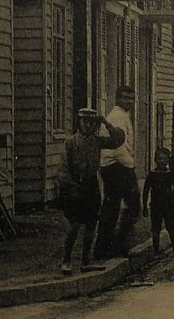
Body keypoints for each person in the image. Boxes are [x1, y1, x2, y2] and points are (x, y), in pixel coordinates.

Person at [57, 106, 125, 274]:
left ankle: (85, 261)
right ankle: (66, 261)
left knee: (91, 225)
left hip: (91, 186)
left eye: (90, 122)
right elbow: (63, 169)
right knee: (74, 226)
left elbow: (118, 140)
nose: (87, 125)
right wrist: (71, 187)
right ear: (78, 123)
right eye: (84, 122)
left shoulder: (97, 141)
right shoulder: (70, 142)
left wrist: (105, 122)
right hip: (75, 186)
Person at [96, 84, 142, 259]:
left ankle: (105, 247)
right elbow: (117, 147)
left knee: (112, 207)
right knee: (133, 205)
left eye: (131, 98)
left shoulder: (122, 115)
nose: (128, 101)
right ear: (117, 99)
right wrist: (130, 165)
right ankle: (116, 244)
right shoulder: (117, 117)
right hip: (117, 166)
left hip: (113, 167)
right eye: (124, 98)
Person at [142, 147, 174, 254]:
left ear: (167, 160)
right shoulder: (152, 174)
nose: (161, 161)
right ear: (155, 159)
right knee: (155, 229)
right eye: (159, 159)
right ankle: (156, 251)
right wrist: (144, 206)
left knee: (170, 227)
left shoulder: (170, 173)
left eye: (164, 159)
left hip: (168, 206)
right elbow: (146, 190)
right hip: (155, 206)